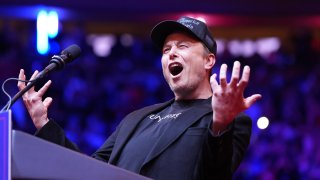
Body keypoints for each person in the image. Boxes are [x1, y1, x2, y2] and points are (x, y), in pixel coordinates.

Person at [17, 16, 261, 179]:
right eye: (166, 50)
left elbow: (213, 176)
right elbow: (88, 172)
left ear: (209, 60)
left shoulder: (229, 120)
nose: (172, 53)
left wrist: (219, 125)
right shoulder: (136, 119)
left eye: (183, 46)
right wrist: (43, 123)